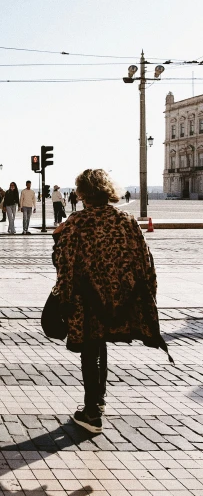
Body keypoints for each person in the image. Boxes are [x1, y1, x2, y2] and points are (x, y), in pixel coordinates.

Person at [51, 168, 170, 434]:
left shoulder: (77, 223)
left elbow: (65, 264)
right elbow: (145, 262)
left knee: (90, 348)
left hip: (88, 299)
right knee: (99, 344)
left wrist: (65, 299)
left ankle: (92, 412)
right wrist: (148, 296)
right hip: (120, 299)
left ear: (82, 193)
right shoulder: (126, 220)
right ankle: (99, 403)